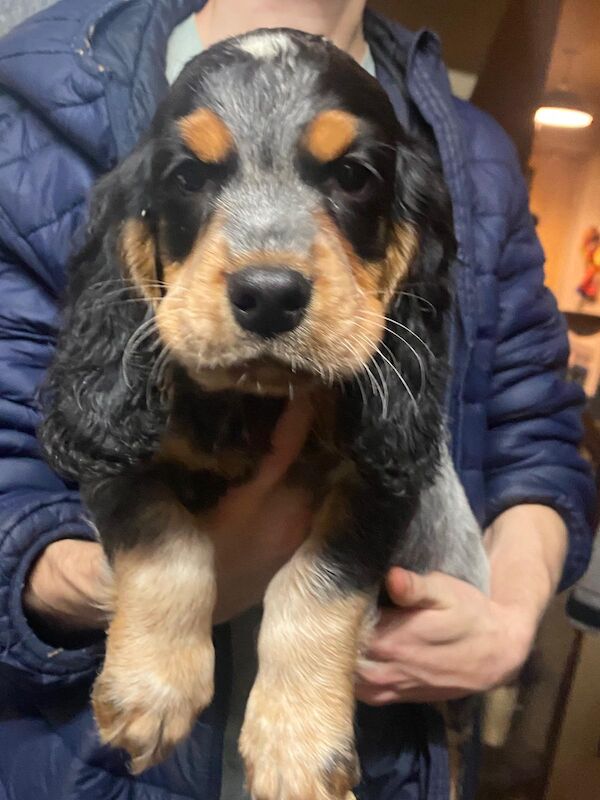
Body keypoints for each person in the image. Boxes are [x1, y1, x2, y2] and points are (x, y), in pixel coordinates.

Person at [0, 1, 594, 799]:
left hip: (391, 757)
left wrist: (512, 620)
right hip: (85, 763)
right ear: (137, 244)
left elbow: (534, 429)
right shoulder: (39, 92)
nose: (270, 270)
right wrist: (162, 577)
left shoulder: (475, 152)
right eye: (191, 174)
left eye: (351, 177)